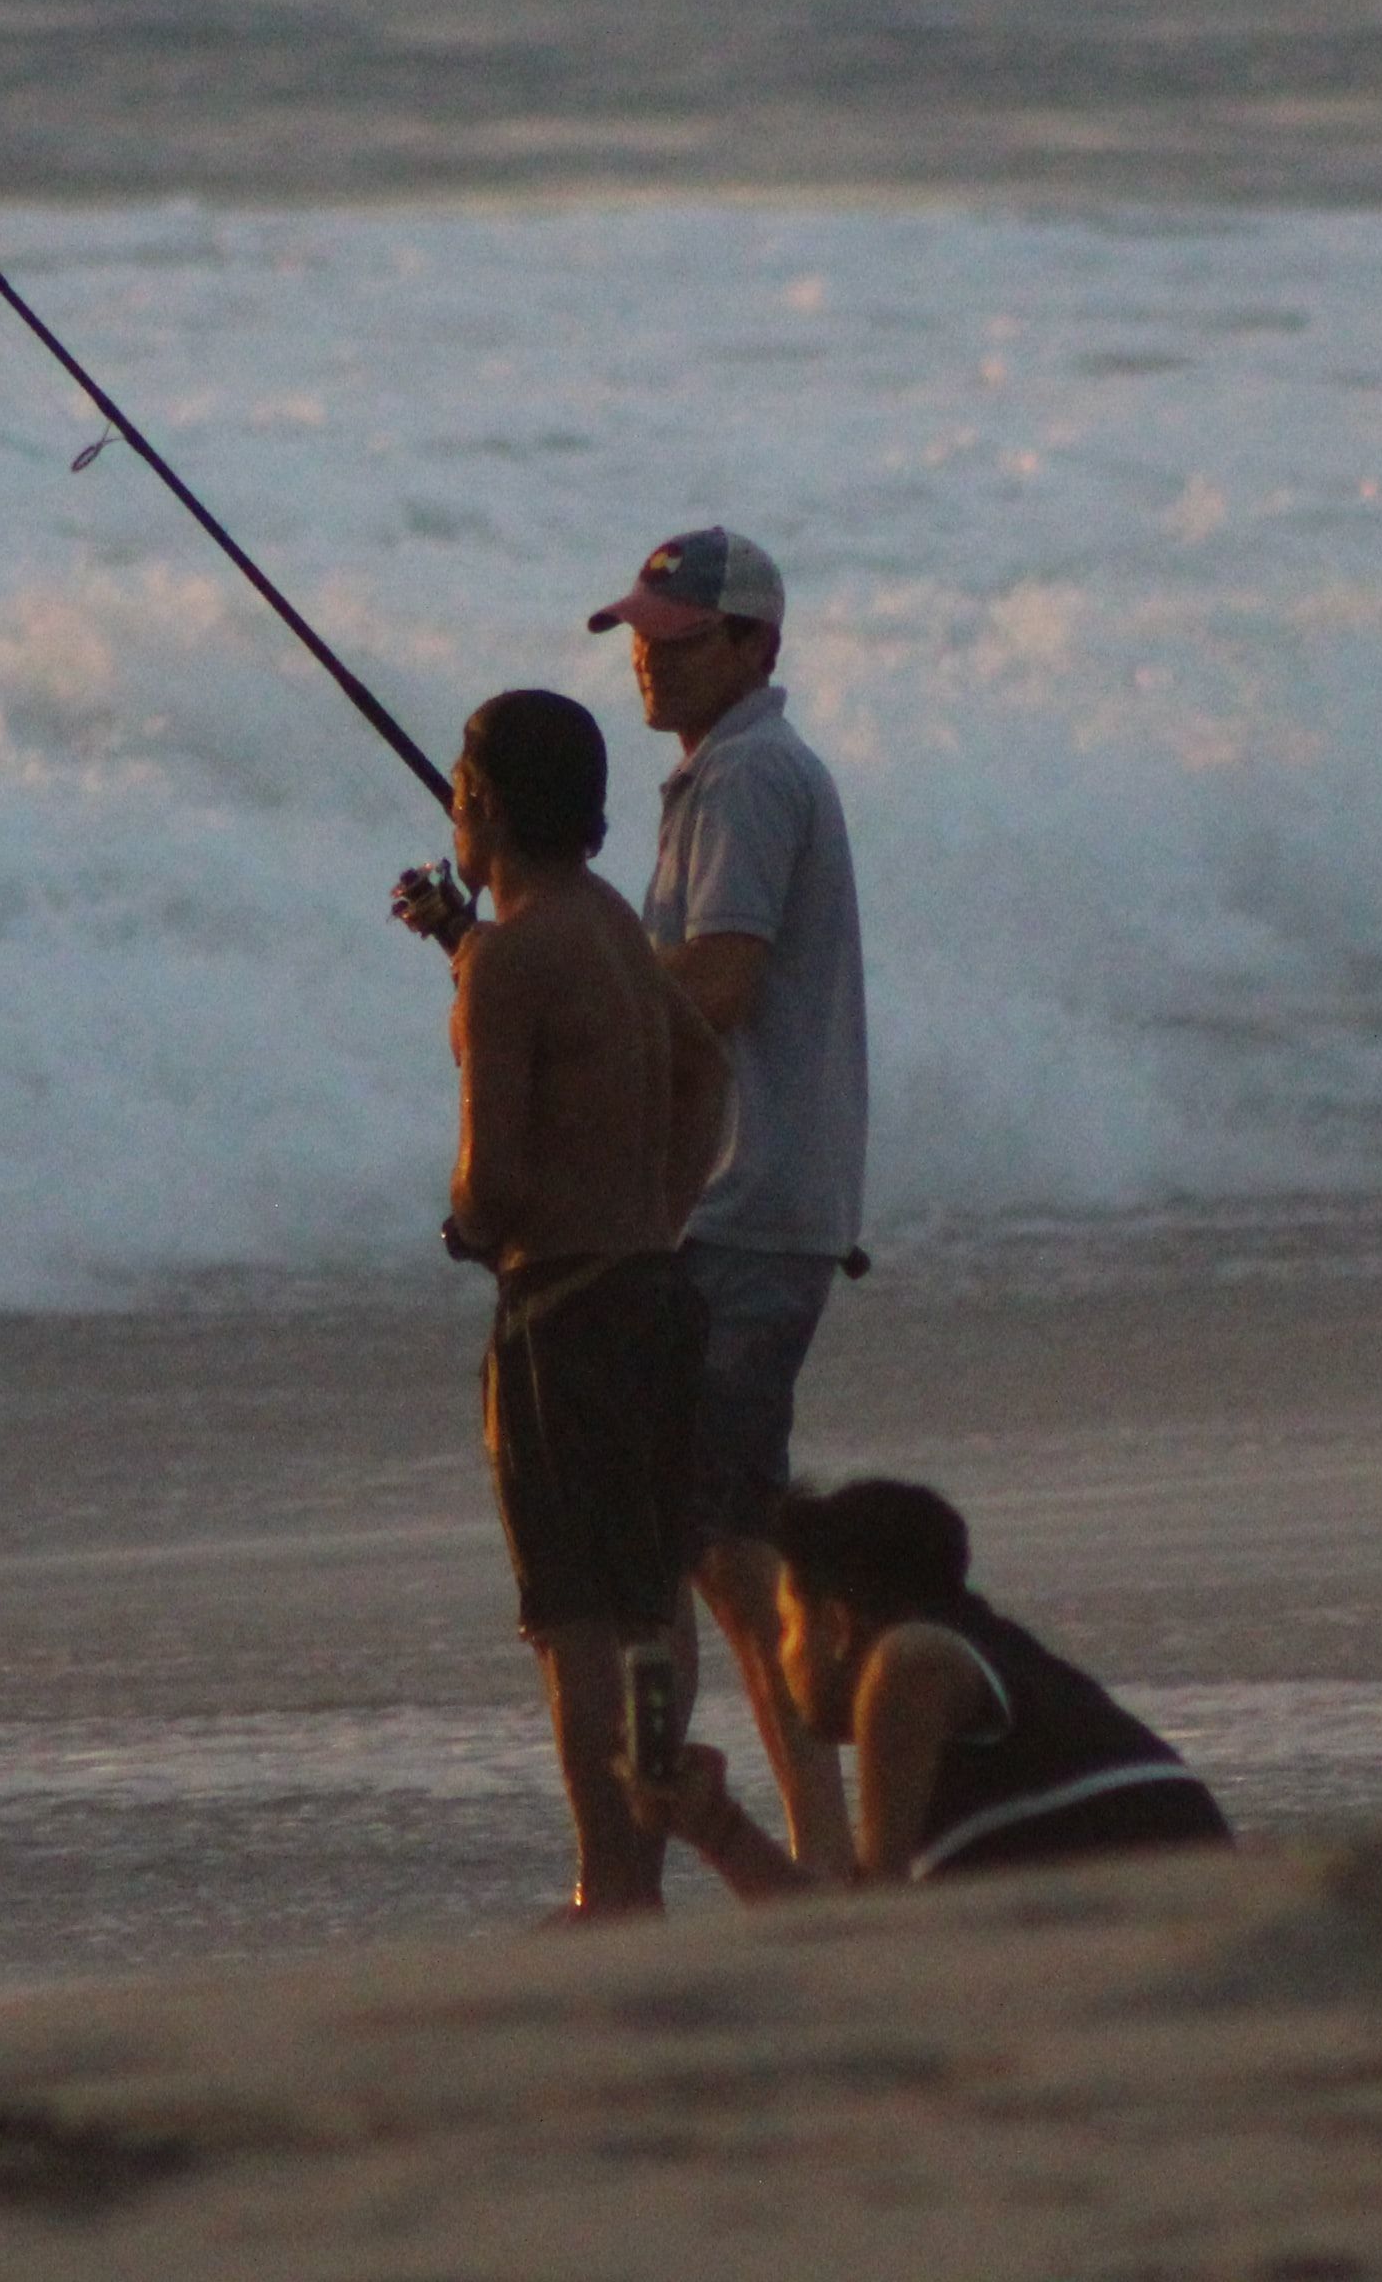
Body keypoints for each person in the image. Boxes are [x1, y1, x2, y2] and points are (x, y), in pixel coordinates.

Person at [394, 687, 732, 1918]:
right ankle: (641, 1864)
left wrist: (471, 1232)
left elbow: (495, 1175)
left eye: (458, 795)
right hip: (653, 1292)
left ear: (478, 806)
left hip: (565, 1320)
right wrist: (662, 1206)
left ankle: (609, 1882)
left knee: (573, 1615)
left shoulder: (512, 961)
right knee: (651, 1594)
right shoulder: (608, 932)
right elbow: (703, 1070)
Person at [586, 525, 875, 1876]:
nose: (648, 661)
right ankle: (795, 1837)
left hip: (744, 1204)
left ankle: (825, 1847)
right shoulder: (724, 775)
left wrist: (571, 992)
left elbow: (716, 989)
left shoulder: (752, 777)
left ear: (753, 645)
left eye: (677, 638)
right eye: (640, 635)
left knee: (722, 1540)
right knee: (708, 1536)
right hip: (742, 1203)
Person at [639, 1475, 1231, 1893]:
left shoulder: (905, 1666)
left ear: (839, 1627)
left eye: (791, 1625)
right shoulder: (999, 1660)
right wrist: (717, 1828)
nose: (783, 1651)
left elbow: (882, 1930)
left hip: (1165, 1903)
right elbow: (852, 1945)